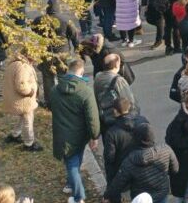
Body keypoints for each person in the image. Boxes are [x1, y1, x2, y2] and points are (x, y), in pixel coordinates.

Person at [50, 58, 100, 203]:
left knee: (72, 162)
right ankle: (79, 196)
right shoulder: (85, 91)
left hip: (63, 134)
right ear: (82, 71)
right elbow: (92, 117)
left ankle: (71, 184)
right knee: (74, 163)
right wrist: (94, 136)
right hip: (80, 134)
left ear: (68, 70)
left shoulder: (55, 91)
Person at [103, 123, 179, 203]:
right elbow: (175, 169)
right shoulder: (166, 149)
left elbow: (118, 183)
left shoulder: (130, 161)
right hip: (162, 194)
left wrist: (107, 195)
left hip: (140, 199)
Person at [102, 98, 149, 184]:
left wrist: (111, 183)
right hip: (142, 164)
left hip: (123, 169)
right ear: (129, 107)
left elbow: (109, 158)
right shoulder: (142, 120)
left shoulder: (111, 132)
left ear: (115, 111)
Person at [1, 51, 41, 151]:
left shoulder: (16, 63)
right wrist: (31, 92)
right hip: (23, 100)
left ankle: (15, 135)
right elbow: (21, 86)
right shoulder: (23, 67)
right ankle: (29, 143)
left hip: (15, 98)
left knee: (23, 118)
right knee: (28, 120)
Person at [94, 53, 137, 132]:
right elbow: (129, 101)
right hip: (120, 120)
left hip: (105, 119)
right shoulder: (118, 80)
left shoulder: (98, 77)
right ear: (117, 64)